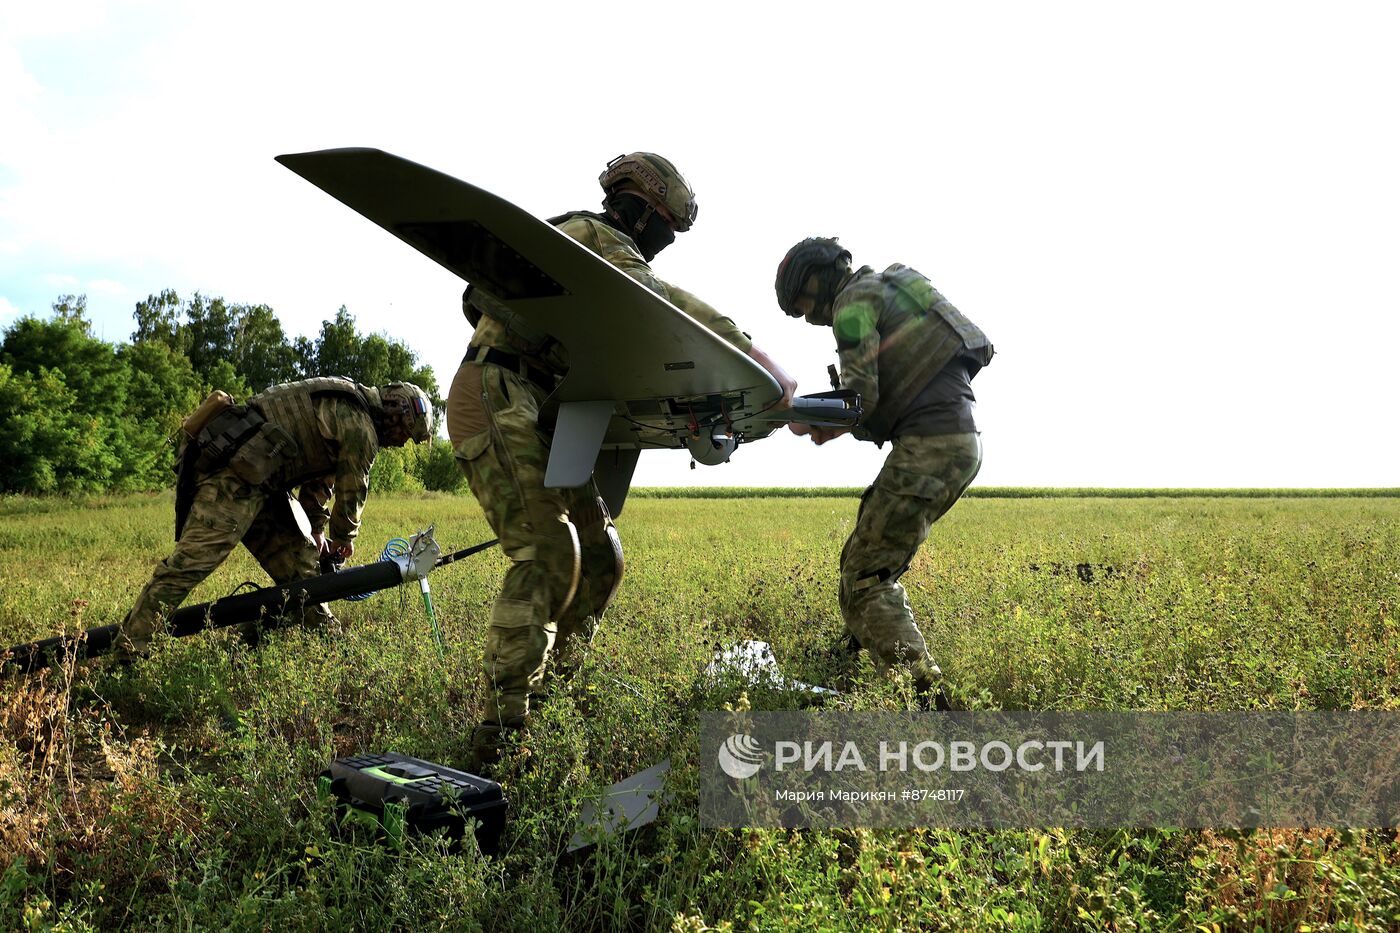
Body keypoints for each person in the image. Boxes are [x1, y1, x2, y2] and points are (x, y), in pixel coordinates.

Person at [450, 152, 797, 769]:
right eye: (664, 224)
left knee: (600, 557)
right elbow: (661, 303)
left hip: (541, 404)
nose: (663, 240)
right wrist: (754, 357)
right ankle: (500, 734)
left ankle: (557, 693)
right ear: (639, 207)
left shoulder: (579, 244)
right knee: (548, 551)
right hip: (498, 391)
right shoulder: (591, 237)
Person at [774, 237, 993, 705]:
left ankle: (929, 706)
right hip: (958, 439)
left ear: (820, 277)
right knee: (863, 553)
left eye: (805, 302)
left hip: (928, 445)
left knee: (865, 579)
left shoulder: (853, 303)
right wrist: (832, 424)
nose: (811, 316)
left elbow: (858, 400)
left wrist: (801, 413)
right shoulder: (891, 287)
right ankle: (849, 661)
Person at [118, 377, 433, 656]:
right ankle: (130, 650)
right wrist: (343, 539)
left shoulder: (348, 405)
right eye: (406, 433)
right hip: (234, 480)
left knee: (302, 572)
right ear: (395, 412)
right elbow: (353, 488)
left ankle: (313, 644)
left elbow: (321, 483)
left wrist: (319, 533)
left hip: (262, 485)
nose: (402, 441)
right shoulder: (360, 424)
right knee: (189, 566)